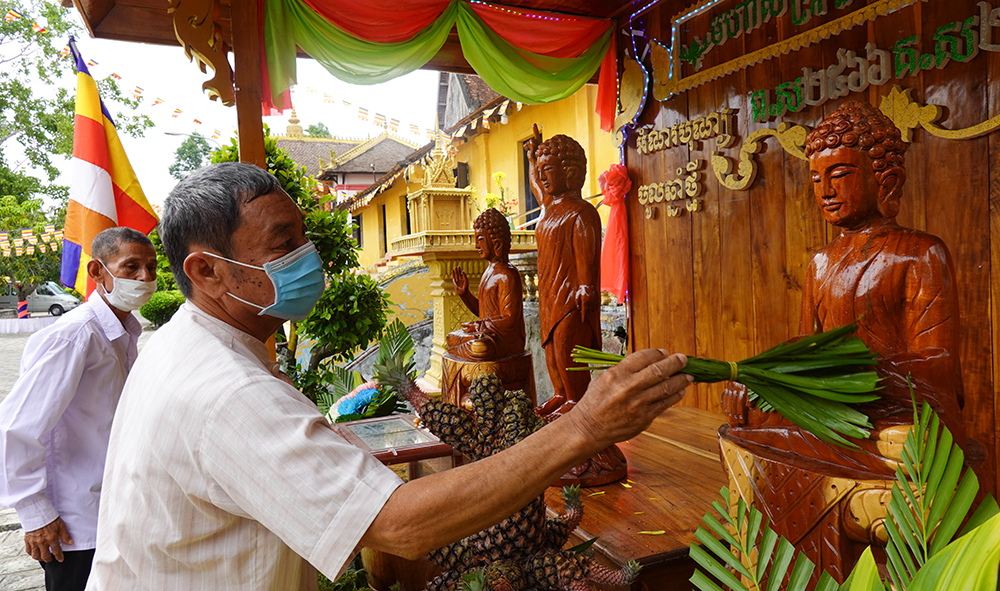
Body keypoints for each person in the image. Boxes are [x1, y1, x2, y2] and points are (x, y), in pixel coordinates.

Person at [87, 162, 692, 589]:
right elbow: (399, 525)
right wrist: (586, 425)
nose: (310, 258)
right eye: (284, 244)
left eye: (305, 238)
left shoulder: (180, 344)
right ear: (208, 271)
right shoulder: (228, 391)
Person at [723, 100, 966, 478]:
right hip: (832, 405)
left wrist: (855, 374)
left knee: (900, 442)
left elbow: (939, 363)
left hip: (894, 405)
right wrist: (758, 379)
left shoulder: (920, 253)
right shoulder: (820, 262)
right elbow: (807, 348)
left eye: (840, 174)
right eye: (817, 179)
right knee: (744, 424)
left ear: (887, 181)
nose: (827, 191)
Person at [0, 227, 157, 591]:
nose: (145, 278)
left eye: (151, 267)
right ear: (97, 272)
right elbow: (15, 427)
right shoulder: (75, 335)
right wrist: (35, 513)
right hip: (74, 524)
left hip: (113, 509)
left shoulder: (123, 332)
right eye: (131, 266)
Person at [524, 127, 603, 419]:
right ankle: (560, 394)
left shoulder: (581, 211)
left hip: (571, 296)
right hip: (548, 293)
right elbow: (535, 183)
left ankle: (577, 399)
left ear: (569, 172)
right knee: (551, 351)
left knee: (568, 348)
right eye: (542, 171)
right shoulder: (549, 207)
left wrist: (586, 286)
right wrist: (532, 159)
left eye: (549, 170)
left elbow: (587, 253)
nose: (543, 177)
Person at [447, 207, 525, 360]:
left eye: (480, 239)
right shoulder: (489, 272)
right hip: (490, 334)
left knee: (479, 346)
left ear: (496, 244)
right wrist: (465, 294)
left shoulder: (507, 275)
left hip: (506, 341)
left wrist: (479, 326)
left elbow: (510, 319)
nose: (476, 246)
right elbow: (483, 313)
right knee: (452, 338)